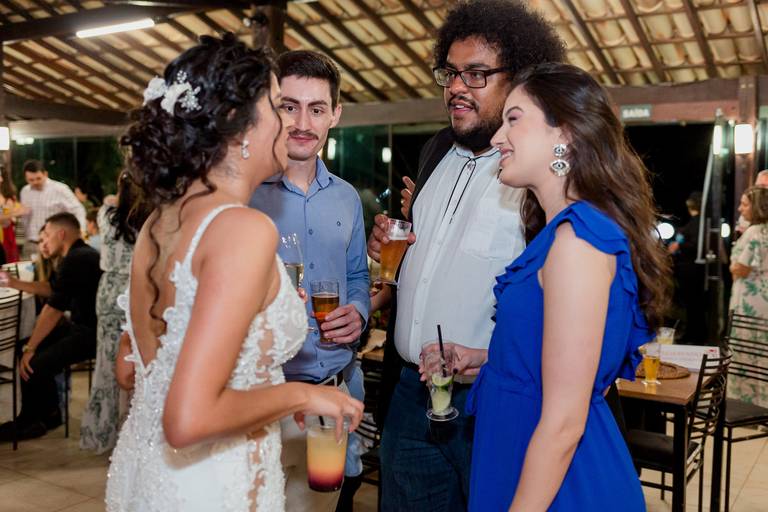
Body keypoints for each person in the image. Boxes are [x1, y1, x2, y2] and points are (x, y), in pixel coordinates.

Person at [105, 34, 363, 511]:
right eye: (278, 106)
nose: (291, 122)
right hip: (216, 485)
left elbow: (129, 369)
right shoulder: (244, 228)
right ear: (240, 124)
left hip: (154, 479)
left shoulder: (161, 222)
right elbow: (187, 418)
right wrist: (301, 396)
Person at [423, 62, 670, 510]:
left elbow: (564, 421)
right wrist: (486, 358)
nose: (498, 138)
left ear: (565, 134)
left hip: (559, 482)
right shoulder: (559, 235)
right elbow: (560, 364)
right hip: (522, 457)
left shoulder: (578, 241)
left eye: (514, 119)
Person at [366, 2, 566, 509]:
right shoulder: (435, 150)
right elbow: (433, 258)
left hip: (489, 401)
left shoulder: (532, 171)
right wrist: (391, 256)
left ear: (518, 79)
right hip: (410, 393)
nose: (457, 86)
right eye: (450, 73)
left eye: (476, 74)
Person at [249, 50, 370, 512]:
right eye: (290, 106)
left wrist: (359, 311)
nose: (303, 123)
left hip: (335, 394)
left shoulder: (347, 198)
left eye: (316, 109)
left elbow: (357, 274)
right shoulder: (245, 196)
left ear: (335, 114)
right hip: (263, 398)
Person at [0, 212, 102, 441]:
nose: (43, 240)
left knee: (32, 362)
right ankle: (50, 413)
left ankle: (31, 422)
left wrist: (31, 348)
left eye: (46, 234)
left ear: (61, 234)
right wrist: (14, 283)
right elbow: (52, 289)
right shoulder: (77, 255)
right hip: (82, 326)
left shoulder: (77, 259)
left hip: (92, 333)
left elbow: (53, 309)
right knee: (25, 347)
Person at [80, 173, 151, 453]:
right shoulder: (147, 219)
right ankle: (127, 433)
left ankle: (102, 432)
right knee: (133, 360)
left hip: (109, 290)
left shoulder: (106, 214)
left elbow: (110, 200)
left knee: (106, 362)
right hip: (135, 289)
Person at [729, 186, 768, 407]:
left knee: (746, 348)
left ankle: (745, 402)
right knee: (762, 350)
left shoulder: (754, 232)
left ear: (757, 207)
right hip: (764, 297)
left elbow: (741, 267)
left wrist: (733, 267)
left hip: (749, 299)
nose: (740, 208)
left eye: (744, 204)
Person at [19, 160, 86, 258]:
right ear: (26, 178)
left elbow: (78, 209)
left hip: (54, 243)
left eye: (38, 178)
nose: (35, 182)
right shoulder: (25, 191)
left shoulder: (60, 189)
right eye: (31, 180)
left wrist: (81, 231)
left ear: (45, 174)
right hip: (31, 242)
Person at [670, 191, 706, 344]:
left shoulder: (697, 223)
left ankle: (694, 335)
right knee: (692, 304)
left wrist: (679, 245)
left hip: (691, 270)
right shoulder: (695, 222)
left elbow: (696, 245)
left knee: (693, 304)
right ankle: (692, 333)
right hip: (688, 268)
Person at [0, 166, 26, 263]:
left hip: (6, 233)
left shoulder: (8, 196)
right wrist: (16, 212)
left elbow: (7, 220)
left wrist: (15, 213)